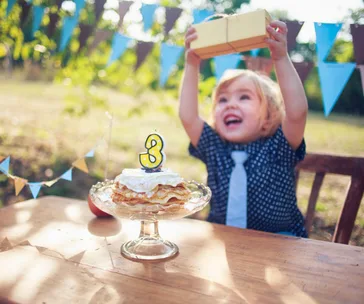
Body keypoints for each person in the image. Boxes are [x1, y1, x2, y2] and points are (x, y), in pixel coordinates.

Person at [179, 20, 308, 237]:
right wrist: (192, 63)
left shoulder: (279, 145)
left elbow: (297, 113)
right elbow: (188, 116)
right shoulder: (214, 145)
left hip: (282, 241)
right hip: (224, 240)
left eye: (244, 97)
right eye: (222, 100)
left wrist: (280, 57)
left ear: (268, 116)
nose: (230, 104)